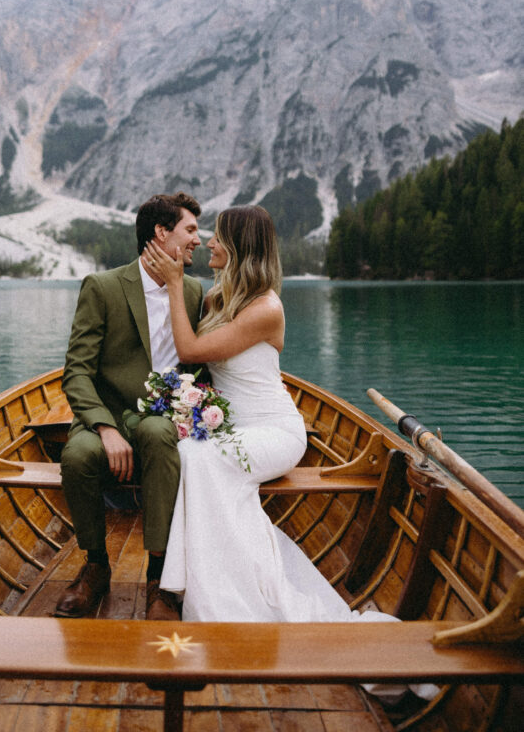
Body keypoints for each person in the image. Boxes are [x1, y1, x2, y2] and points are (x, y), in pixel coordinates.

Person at [144, 204, 438, 704]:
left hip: (276, 432)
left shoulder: (267, 307)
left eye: (219, 239)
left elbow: (192, 351)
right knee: (195, 454)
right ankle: (193, 583)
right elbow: (198, 364)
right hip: (234, 429)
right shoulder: (218, 297)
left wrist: (174, 284)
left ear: (238, 248)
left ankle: (182, 588)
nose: (210, 244)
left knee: (201, 459)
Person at [56, 192, 204, 621]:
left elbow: (198, 363)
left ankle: (160, 581)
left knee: (159, 433)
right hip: (107, 414)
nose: (197, 239)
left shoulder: (193, 292)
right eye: (190, 230)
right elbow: (76, 372)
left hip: (160, 420)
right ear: (162, 233)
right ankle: (96, 566)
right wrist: (104, 427)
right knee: (77, 454)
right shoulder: (102, 287)